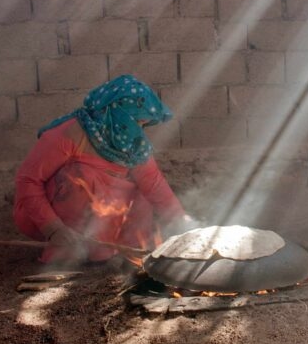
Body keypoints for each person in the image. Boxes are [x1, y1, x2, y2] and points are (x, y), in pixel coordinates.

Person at [14, 74, 195, 263]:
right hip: (49, 218)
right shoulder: (70, 133)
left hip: (101, 218)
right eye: (136, 121)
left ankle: (112, 251)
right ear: (116, 113)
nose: (139, 129)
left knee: (141, 194)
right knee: (82, 176)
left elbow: (153, 183)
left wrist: (181, 221)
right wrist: (54, 229)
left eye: (143, 124)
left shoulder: (131, 143)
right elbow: (28, 181)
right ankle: (64, 253)